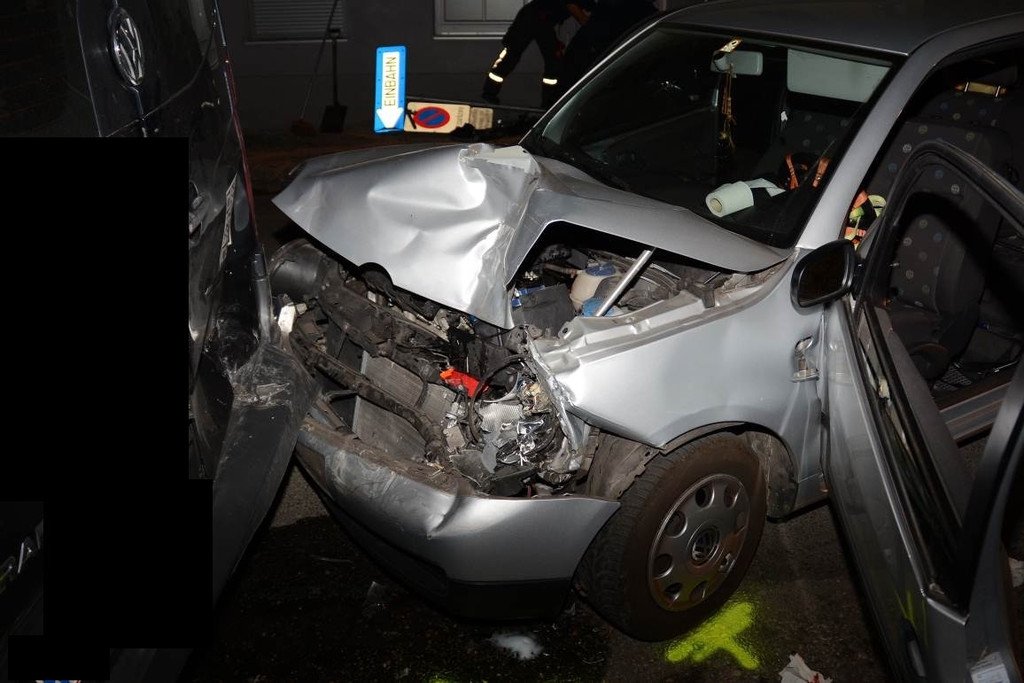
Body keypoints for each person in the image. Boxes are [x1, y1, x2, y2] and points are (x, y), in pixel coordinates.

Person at [481, 0, 595, 108]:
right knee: (511, 56)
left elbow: (588, 10)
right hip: (530, 18)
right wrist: (593, 28)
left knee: (554, 62)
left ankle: (549, 102)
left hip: (543, 22)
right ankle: (489, 93)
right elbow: (577, 13)